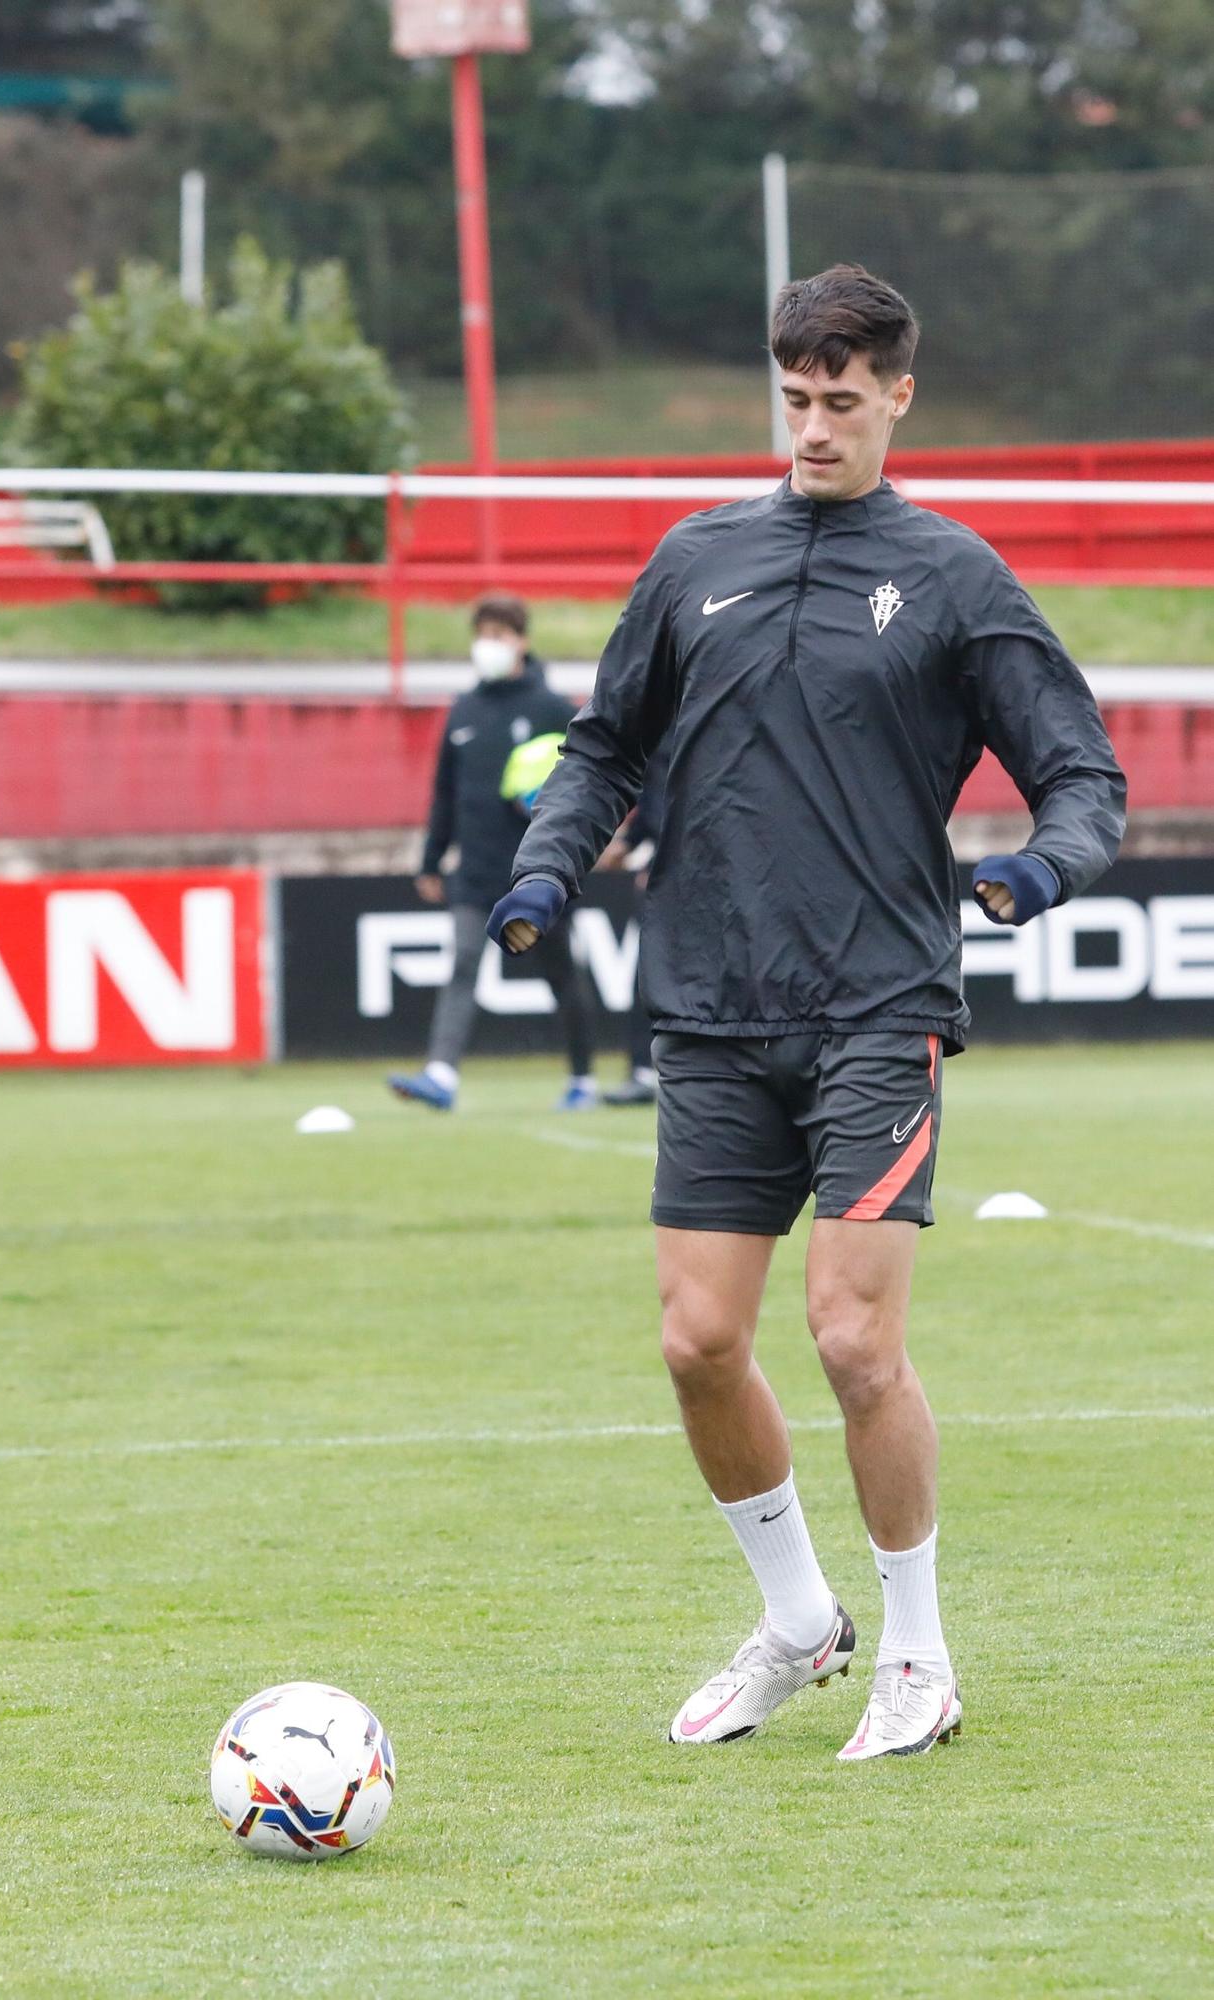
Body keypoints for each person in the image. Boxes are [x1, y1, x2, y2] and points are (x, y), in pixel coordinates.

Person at [487, 266, 1125, 1759]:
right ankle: (795, 1621)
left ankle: (916, 1653)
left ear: (899, 394)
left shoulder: (956, 578)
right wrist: (541, 873)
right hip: (709, 1011)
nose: (813, 426)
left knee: (849, 1341)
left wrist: (1038, 868)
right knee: (697, 1344)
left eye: (841, 401)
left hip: (873, 1004)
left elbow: (1082, 776)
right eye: (793, 399)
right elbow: (599, 751)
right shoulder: (692, 557)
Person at [389, 594, 598, 1113]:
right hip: (476, 870)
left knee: (560, 976)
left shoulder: (553, 708)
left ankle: (582, 1077)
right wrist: (432, 860)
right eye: (483, 635)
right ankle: (440, 1074)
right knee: (462, 963)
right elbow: (445, 793)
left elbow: (588, 781)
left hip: (537, 874)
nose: (489, 646)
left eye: (500, 635)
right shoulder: (464, 710)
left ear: (522, 641)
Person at [596, 730, 672, 1107]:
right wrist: (629, 842)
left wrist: (662, 855)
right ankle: (643, 1070)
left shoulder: (681, 716)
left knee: (650, 972)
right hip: (674, 861)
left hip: (691, 866)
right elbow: (658, 800)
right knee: (646, 973)